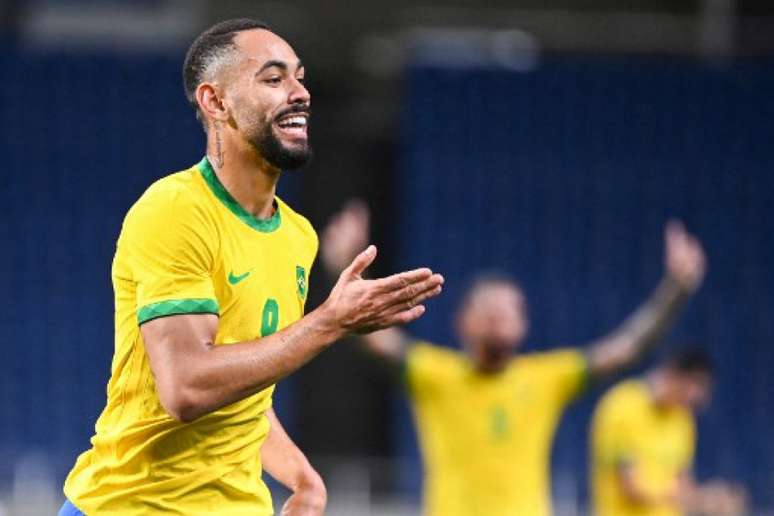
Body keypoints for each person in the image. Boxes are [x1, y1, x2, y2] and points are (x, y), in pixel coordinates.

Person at [59, 19, 444, 516]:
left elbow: (246, 391)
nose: (300, 92)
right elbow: (188, 387)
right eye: (273, 78)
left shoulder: (297, 235)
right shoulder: (176, 210)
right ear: (215, 102)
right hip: (132, 504)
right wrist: (328, 322)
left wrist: (302, 476)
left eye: (300, 77)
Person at [321, 200, 706, 516]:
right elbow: (370, 338)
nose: (503, 319)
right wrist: (341, 270)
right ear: (463, 323)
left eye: (512, 311)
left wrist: (676, 293)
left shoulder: (547, 378)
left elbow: (627, 349)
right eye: (491, 311)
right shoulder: (435, 374)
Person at [591, 348, 747, 516]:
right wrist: (700, 498)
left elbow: (683, 484)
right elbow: (630, 489)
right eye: (692, 387)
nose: (695, 399)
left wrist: (713, 500)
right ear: (672, 375)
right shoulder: (621, 407)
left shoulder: (682, 418)